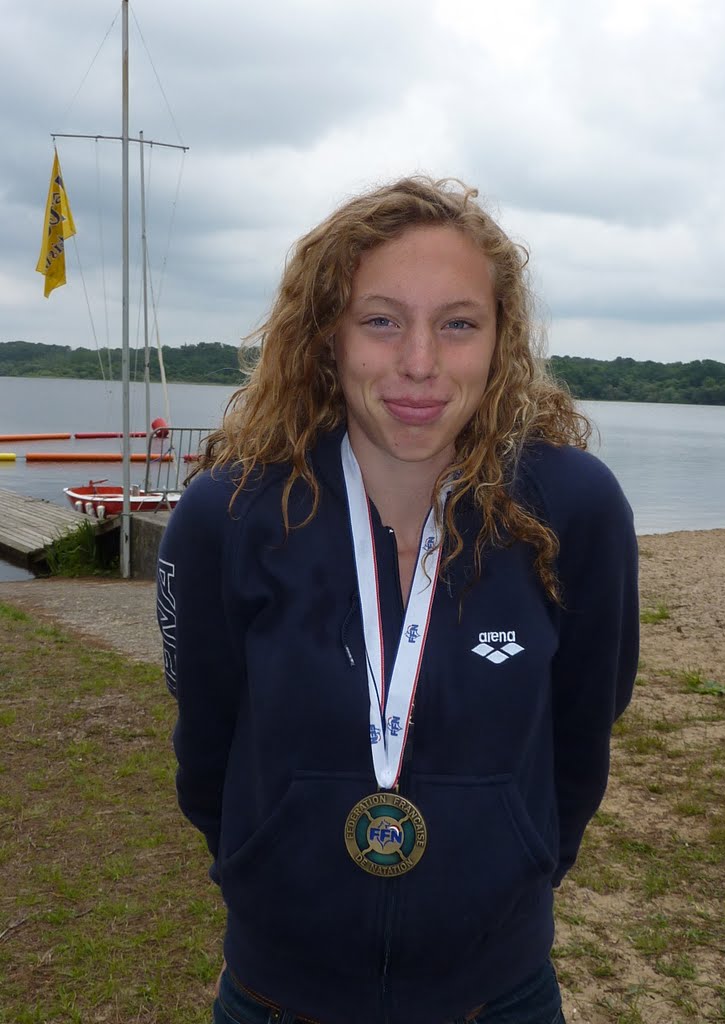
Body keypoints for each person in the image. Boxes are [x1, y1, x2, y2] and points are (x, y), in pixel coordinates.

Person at [157, 176, 639, 1024]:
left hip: (499, 995)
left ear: (500, 339)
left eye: (458, 324)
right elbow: (208, 750)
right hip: (278, 994)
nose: (420, 362)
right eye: (381, 321)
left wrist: (520, 865)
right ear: (327, 336)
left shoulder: (573, 509)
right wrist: (264, 868)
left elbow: (582, 735)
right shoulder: (226, 517)